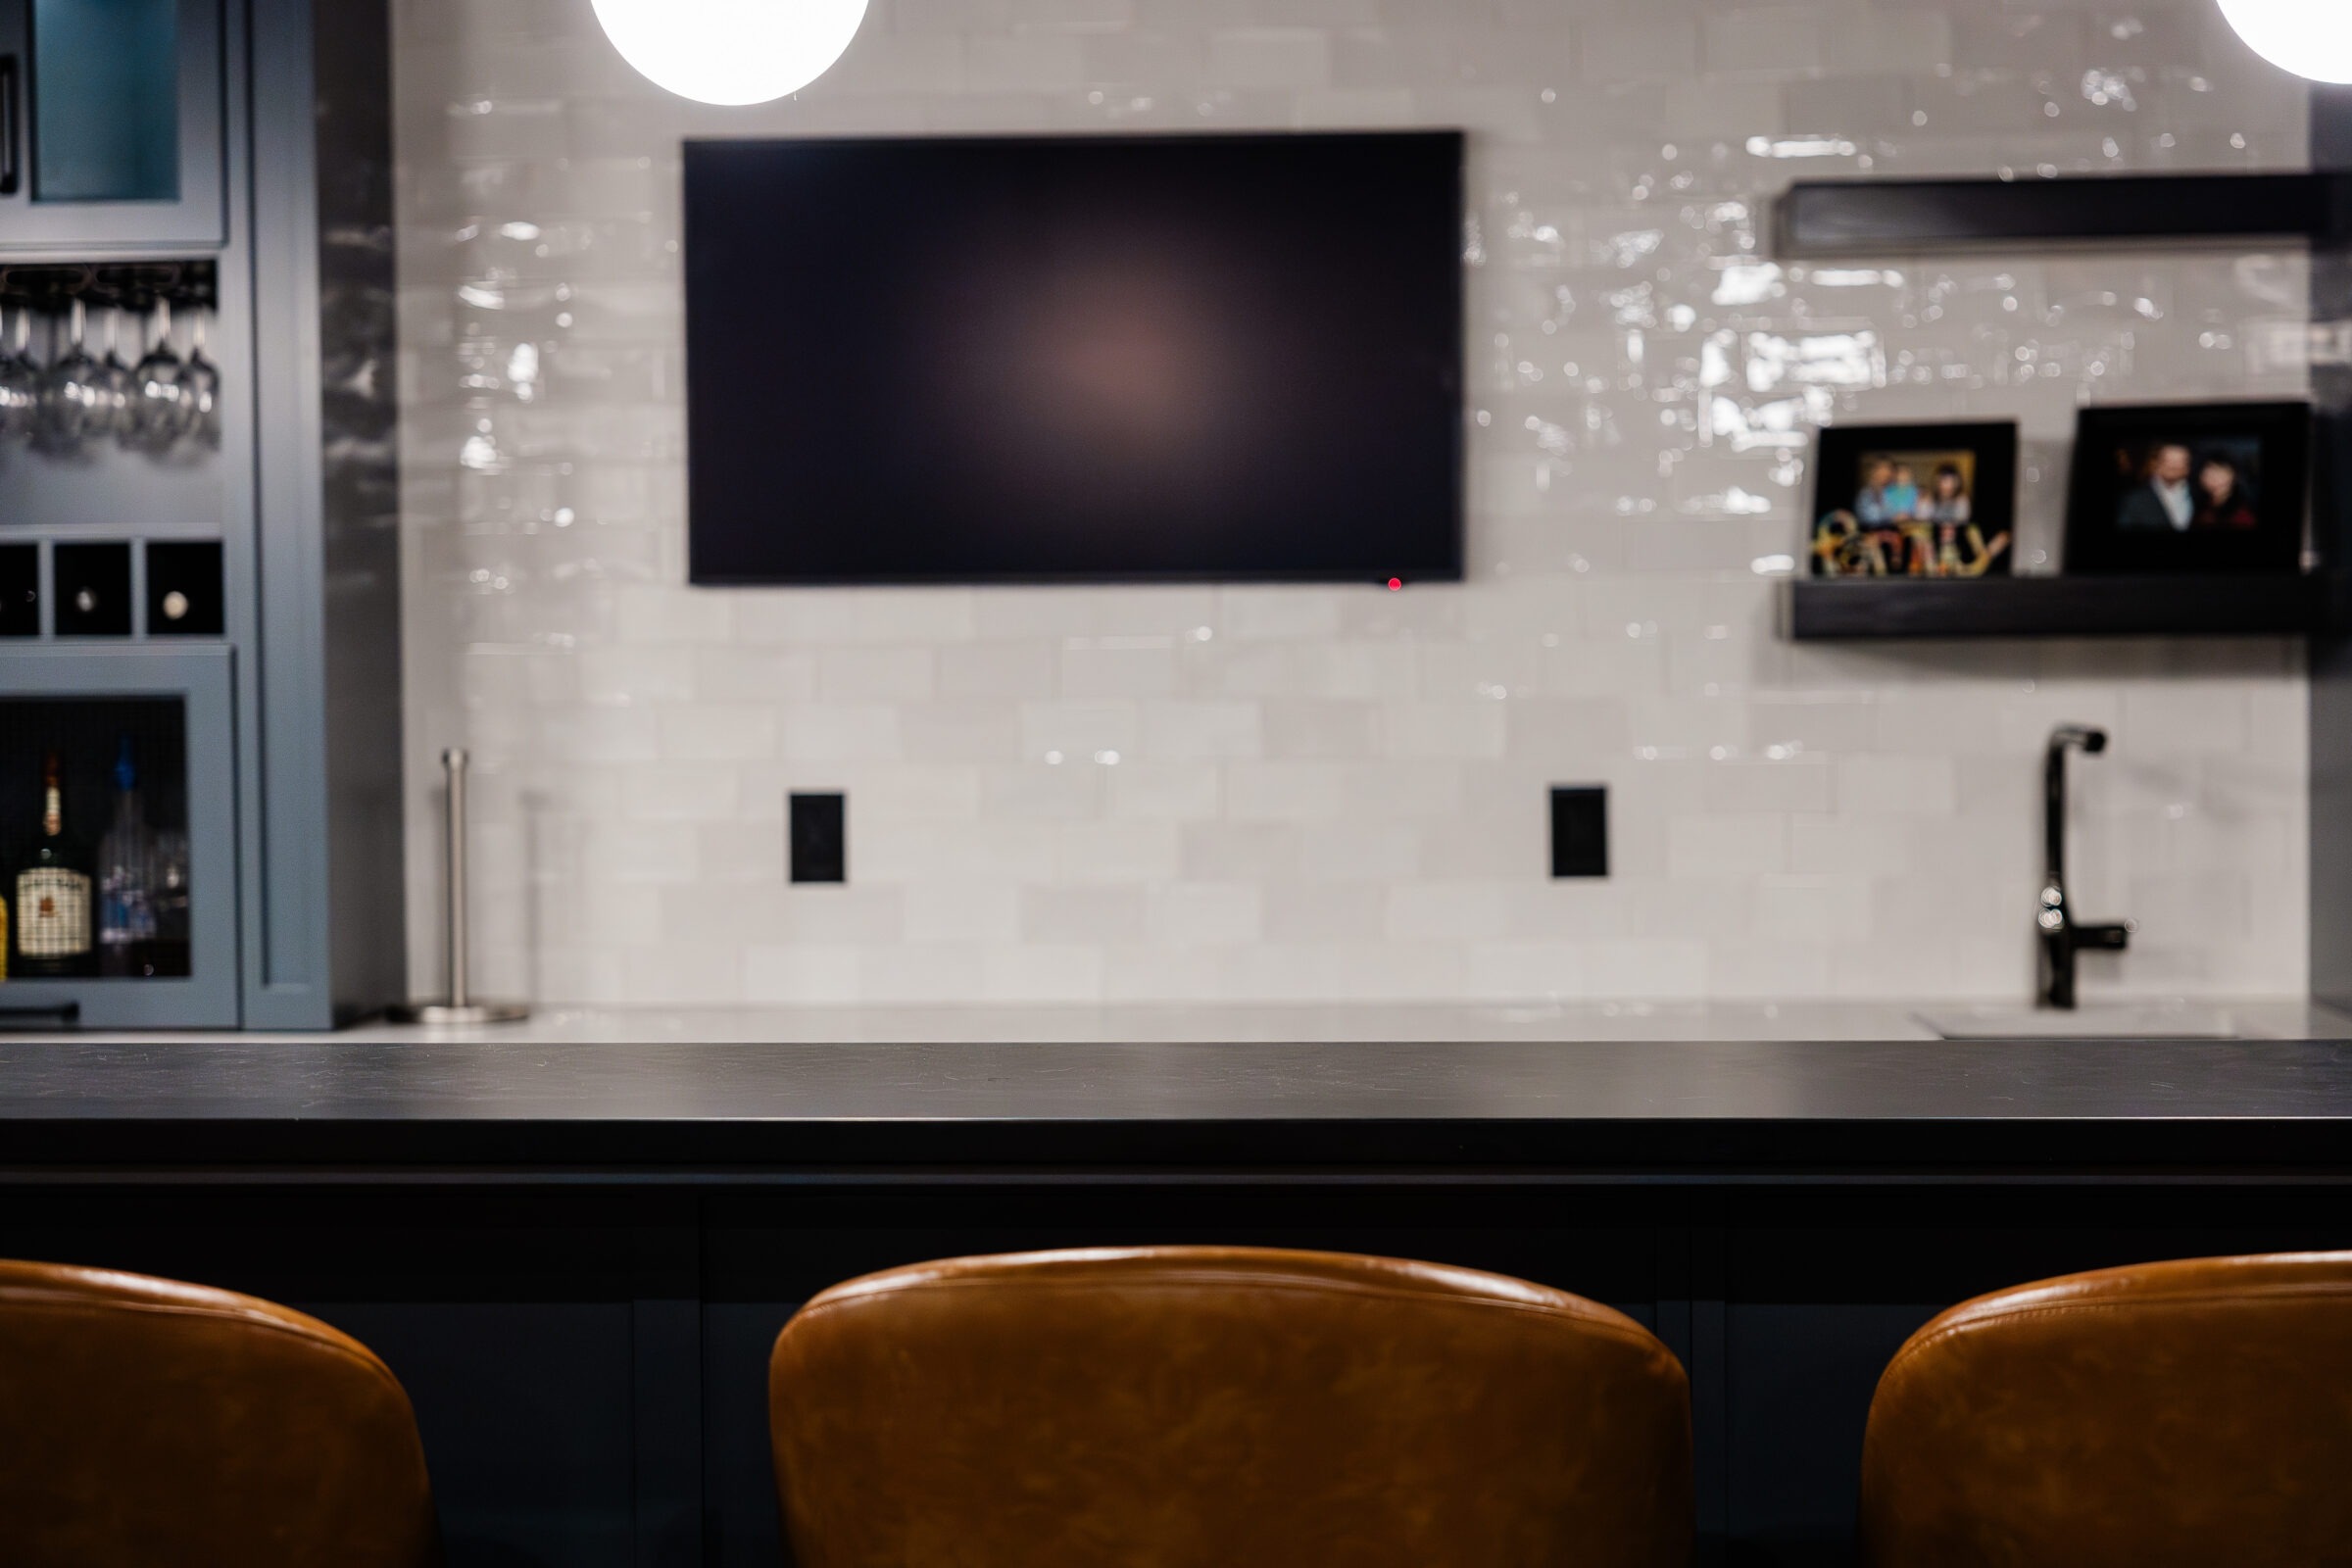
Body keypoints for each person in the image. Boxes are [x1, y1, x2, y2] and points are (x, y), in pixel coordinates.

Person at [2117, 442, 2194, 530]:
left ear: (2188, 466)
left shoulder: (2198, 495)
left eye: (2179, 461)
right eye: (2168, 460)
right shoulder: (2134, 499)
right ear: (2156, 463)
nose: (2173, 466)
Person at [2191, 454, 2259, 530]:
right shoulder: (2200, 508)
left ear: (2234, 477)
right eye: (2209, 474)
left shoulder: (2243, 516)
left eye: (2221, 474)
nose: (2215, 480)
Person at [1853, 459, 1897, 524]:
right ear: (1873, 472)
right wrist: (1892, 517)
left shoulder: (1893, 490)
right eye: (1881, 469)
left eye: (1888, 469)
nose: (1885, 473)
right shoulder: (1865, 493)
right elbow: (1867, 518)